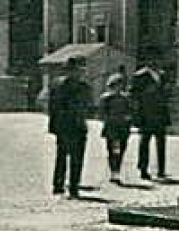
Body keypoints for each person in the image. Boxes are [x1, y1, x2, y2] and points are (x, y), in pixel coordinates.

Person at [47, 57, 94, 198]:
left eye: (78, 70)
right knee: (62, 156)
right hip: (64, 125)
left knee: (77, 157)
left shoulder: (85, 87)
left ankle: (74, 185)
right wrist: (54, 126)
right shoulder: (58, 86)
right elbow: (53, 107)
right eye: (72, 70)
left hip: (78, 125)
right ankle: (58, 184)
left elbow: (88, 105)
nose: (76, 73)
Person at [128, 57, 171, 181]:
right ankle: (143, 169)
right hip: (146, 114)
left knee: (161, 142)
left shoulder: (162, 75)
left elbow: (166, 93)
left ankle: (161, 169)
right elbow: (133, 94)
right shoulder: (140, 76)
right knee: (144, 142)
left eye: (157, 60)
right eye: (152, 59)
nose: (155, 63)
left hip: (160, 114)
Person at [97, 73, 133, 185]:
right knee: (113, 150)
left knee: (121, 150)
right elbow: (101, 113)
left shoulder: (125, 98)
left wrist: (129, 117)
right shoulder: (106, 98)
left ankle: (117, 170)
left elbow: (131, 110)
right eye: (117, 84)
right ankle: (114, 171)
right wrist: (109, 119)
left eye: (121, 84)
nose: (119, 87)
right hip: (112, 128)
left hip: (123, 128)